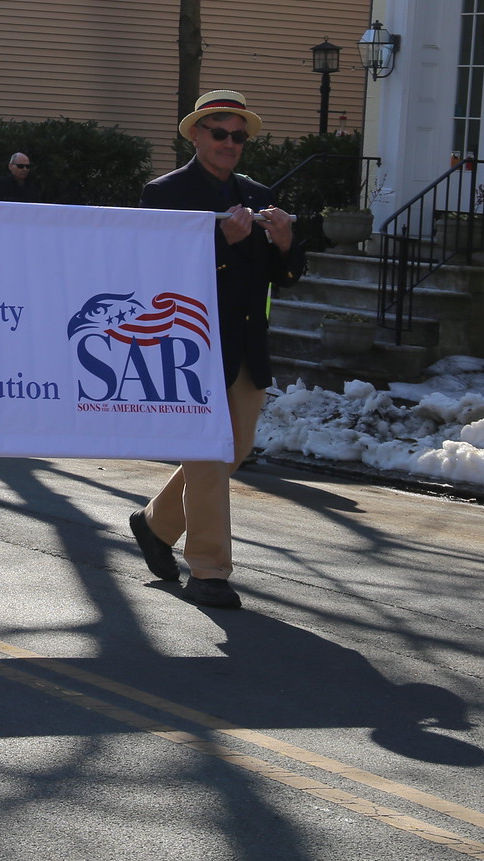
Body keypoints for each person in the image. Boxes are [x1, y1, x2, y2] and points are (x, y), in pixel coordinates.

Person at [128, 89, 301, 610]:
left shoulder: (256, 193)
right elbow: (151, 274)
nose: (230, 143)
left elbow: (285, 276)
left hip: (247, 345)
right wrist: (217, 244)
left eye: (239, 135)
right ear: (197, 134)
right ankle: (208, 571)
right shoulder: (164, 195)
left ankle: (156, 524)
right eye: (220, 132)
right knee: (208, 453)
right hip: (189, 348)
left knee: (236, 447)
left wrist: (288, 243)